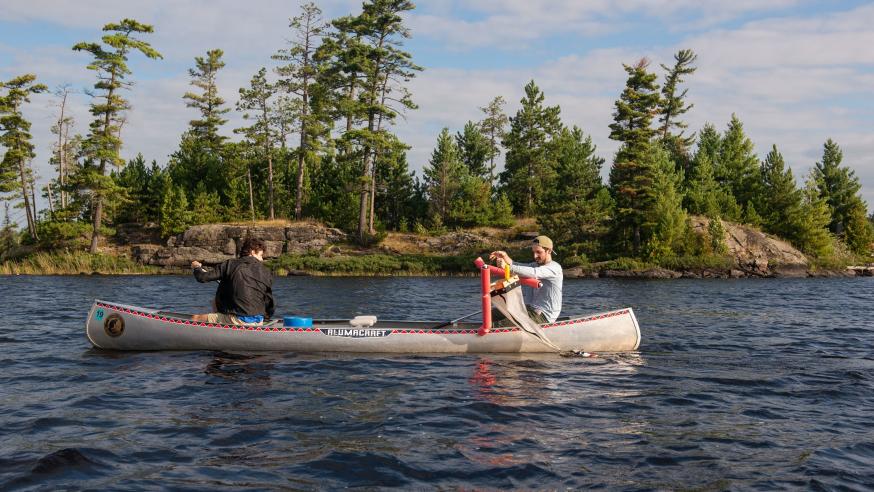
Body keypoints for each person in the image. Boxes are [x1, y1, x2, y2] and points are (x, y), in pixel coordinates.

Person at [190, 237, 275, 325]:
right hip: (259, 320)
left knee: (195, 318)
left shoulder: (230, 264)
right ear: (252, 252)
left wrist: (196, 268)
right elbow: (269, 302)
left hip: (239, 320)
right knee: (216, 301)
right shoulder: (266, 272)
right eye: (260, 255)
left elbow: (202, 277)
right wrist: (265, 319)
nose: (261, 259)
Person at [489, 235, 563, 323]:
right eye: (534, 252)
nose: (535, 256)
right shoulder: (535, 265)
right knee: (492, 314)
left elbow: (534, 273)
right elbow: (518, 265)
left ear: (549, 251)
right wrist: (504, 257)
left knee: (501, 324)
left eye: (539, 252)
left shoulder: (554, 268)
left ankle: (490, 333)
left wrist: (507, 267)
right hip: (529, 310)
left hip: (544, 315)